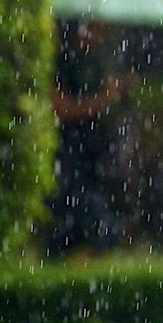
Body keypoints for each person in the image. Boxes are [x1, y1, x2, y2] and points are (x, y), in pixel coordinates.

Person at [48, 19, 133, 257]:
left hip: (95, 153)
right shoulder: (64, 62)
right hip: (69, 151)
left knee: (96, 202)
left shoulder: (96, 62)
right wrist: (102, 99)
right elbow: (61, 107)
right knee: (73, 205)